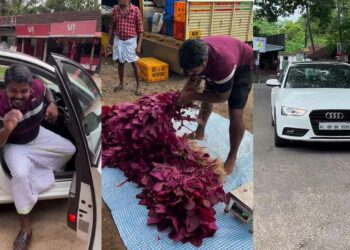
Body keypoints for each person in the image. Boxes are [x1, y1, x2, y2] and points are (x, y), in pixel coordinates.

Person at [0, 65, 76, 250]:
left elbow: (47, 90)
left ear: (30, 87)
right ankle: (26, 227)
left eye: (24, 91)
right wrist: (7, 128)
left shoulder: (38, 87)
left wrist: (52, 104)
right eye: (13, 91)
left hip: (37, 136)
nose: (18, 96)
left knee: (70, 149)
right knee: (19, 175)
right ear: (6, 87)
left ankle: (31, 177)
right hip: (13, 144)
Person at [177, 36, 253, 175]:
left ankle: (232, 156)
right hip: (219, 62)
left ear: (205, 61)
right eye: (188, 71)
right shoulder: (195, 53)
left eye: (193, 71)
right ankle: (199, 132)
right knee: (206, 98)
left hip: (243, 65)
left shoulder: (223, 64)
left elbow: (221, 97)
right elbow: (194, 79)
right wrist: (184, 93)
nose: (190, 74)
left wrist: (191, 96)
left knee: (235, 114)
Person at [108, 0, 144, 95]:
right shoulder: (115, 10)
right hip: (119, 40)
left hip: (131, 41)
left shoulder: (135, 10)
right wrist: (108, 42)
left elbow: (140, 30)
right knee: (120, 62)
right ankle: (121, 84)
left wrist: (139, 45)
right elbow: (111, 27)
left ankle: (138, 86)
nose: (119, 1)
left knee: (134, 63)